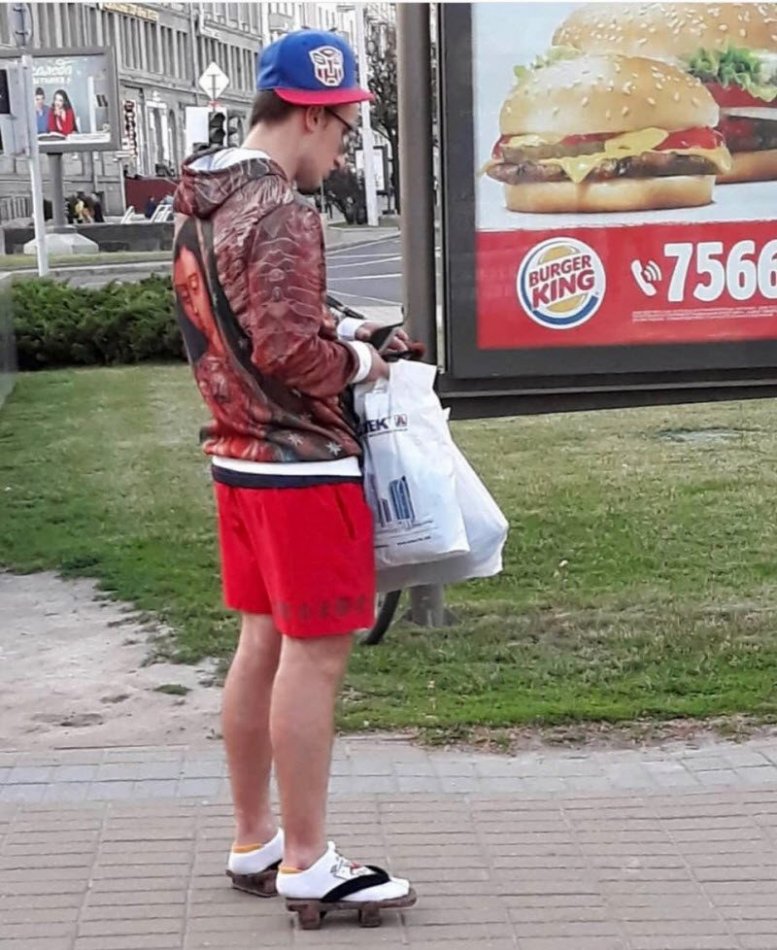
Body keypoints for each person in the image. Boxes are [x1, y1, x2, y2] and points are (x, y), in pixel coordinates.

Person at [171, 30, 417, 925]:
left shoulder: (201, 197)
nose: (344, 150)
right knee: (314, 656)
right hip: (302, 464)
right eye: (344, 128)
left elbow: (231, 322)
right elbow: (284, 349)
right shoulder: (280, 207)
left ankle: (255, 839)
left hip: (236, 453)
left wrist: (339, 330)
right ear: (310, 115)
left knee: (260, 646)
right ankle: (309, 861)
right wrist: (360, 361)